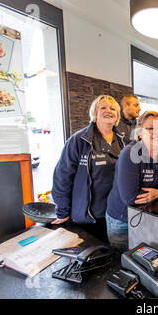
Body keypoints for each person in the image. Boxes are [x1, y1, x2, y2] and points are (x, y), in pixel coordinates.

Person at [51, 95, 126, 243]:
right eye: (102, 107)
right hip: (90, 217)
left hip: (116, 215)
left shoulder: (123, 142)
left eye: (112, 108)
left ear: (117, 115)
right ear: (94, 112)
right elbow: (62, 177)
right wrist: (62, 211)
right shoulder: (78, 140)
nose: (108, 111)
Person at [105, 111, 158, 252]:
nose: (157, 132)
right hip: (122, 221)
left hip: (148, 215)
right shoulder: (129, 154)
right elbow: (131, 197)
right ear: (140, 133)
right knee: (124, 262)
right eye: (151, 128)